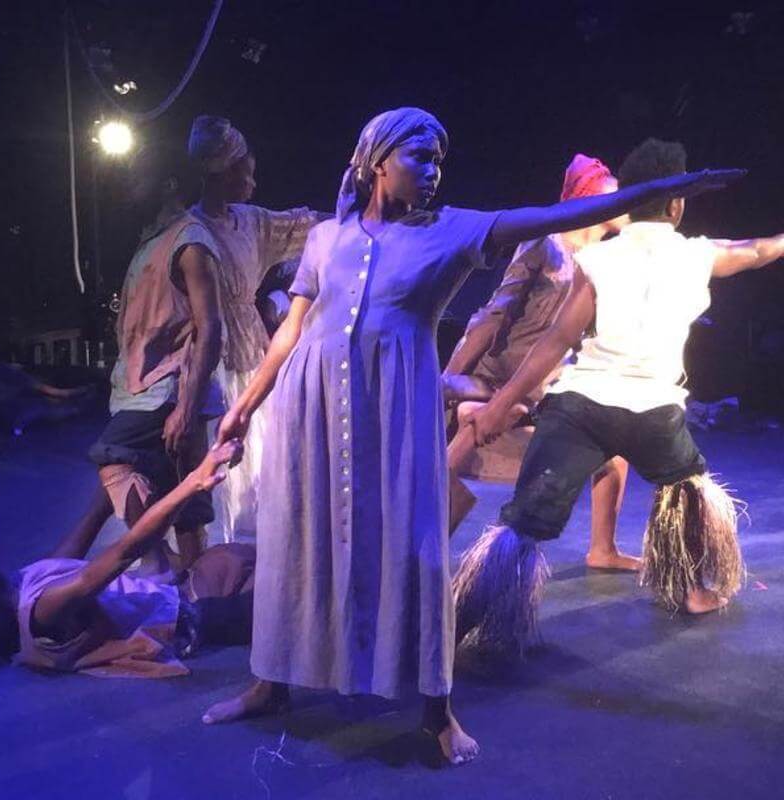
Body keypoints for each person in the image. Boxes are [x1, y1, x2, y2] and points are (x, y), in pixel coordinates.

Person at [201, 110, 741, 765]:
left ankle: (436, 712)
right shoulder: (325, 240)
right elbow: (294, 329)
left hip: (397, 411)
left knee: (418, 549)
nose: (432, 173)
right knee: (300, 537)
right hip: (311, 406)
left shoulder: (452, 232)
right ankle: (270, 682)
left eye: (439, 162)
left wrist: (652, 194)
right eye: (419, 157)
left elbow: (551, 217)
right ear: (377, 159)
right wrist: (248, 402)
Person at [456, 138, 780, 657]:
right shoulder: (699, 252)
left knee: (523, 524)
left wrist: (502, 402)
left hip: (581, 406)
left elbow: (556, 341)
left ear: (626, 201)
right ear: (676, 203)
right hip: (655, 414)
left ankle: (465, 622)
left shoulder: (600, 260)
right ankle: (695, 590)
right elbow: (758, 250)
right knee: (686, 488)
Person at [443, 155, 637, 570]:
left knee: (614, 449)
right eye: (613, 194)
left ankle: (602, 549)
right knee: (471, 428)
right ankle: (425, 542)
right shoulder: (545, 243)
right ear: (589, 200)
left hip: (550, 386)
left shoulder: (607, 260)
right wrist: (450, 376)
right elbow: (494, 313)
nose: (624, 203)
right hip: (502, 378)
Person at [0, 440, 255, 676]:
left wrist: (114, 472)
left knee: (232, 558)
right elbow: (125, 552)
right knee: (272, 588)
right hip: (186, 617)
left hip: (177, 594)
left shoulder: (21, 588)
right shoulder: (41, 612)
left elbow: (69, 551)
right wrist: (192, 483)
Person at [88, 144, 223, 577]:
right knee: (179, 495)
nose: (128, 183)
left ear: (168, 184)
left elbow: (211, 326)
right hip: (141, 386)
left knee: (113, 456)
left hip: (168, 388)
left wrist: (187, 406)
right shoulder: (153, 239)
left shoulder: (189, 239)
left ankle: (160, 563)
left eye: (138, 175)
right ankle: (189, 601)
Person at [188, 116, 324, 542]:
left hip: (251, 351)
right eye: (246, 174)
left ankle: (261, 547)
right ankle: (220, 554)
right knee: (220, 457)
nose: (252, 183)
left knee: (264, 457)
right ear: (224, 173)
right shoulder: (191, 230)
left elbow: (301, 224)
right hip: (208, 357)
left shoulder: (250, 221)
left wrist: (360, 216)